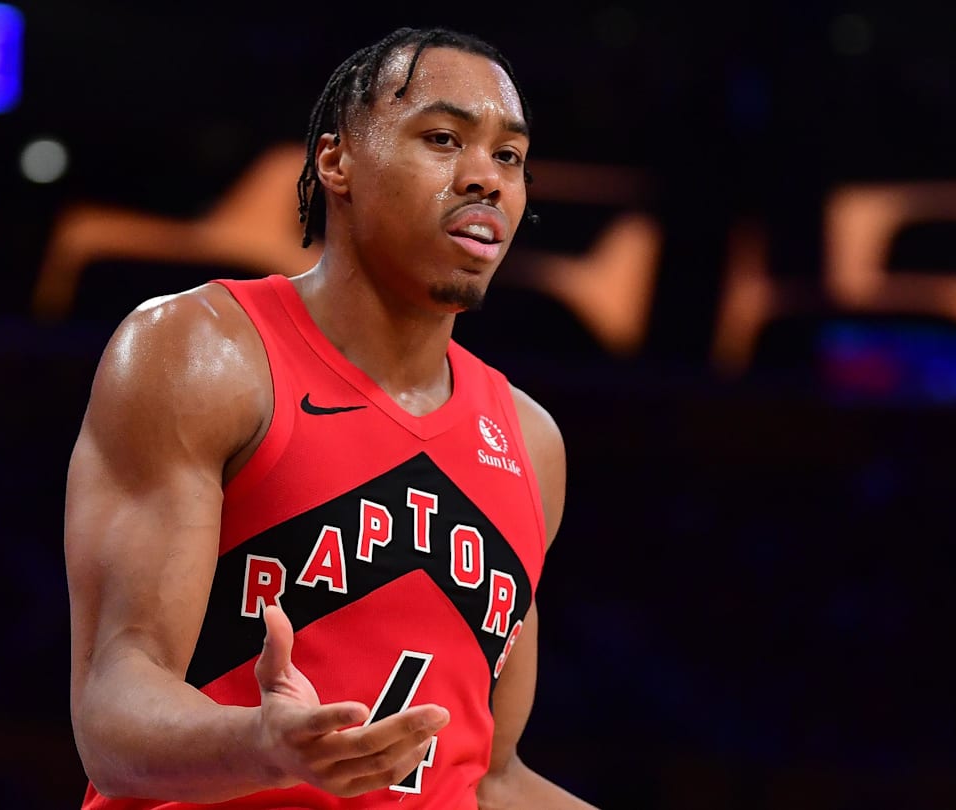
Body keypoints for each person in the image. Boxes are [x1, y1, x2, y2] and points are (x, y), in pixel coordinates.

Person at [64, 26, 597, 809]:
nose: (487, 178)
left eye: (509, 156)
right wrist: (260, 745)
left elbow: (488, 778)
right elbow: (112, 710)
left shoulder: (530, 443)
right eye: (445, 138)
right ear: (335, 160)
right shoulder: (201, 353)